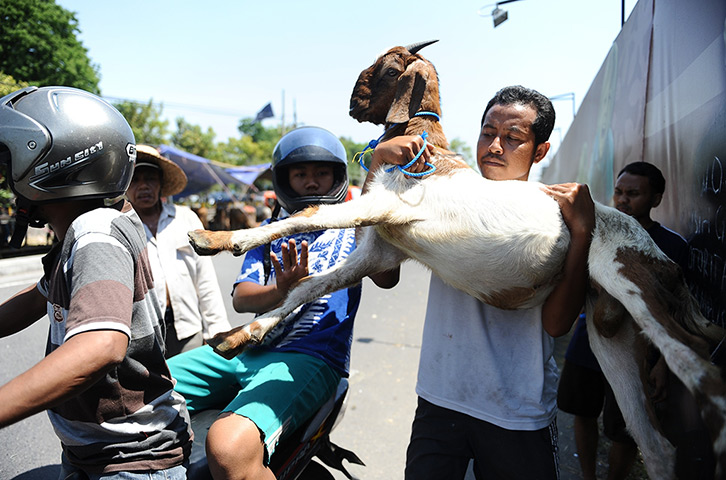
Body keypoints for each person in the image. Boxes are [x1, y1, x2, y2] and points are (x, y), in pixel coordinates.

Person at [367, 85, 596, 479]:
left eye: (513, 139)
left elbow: (556, 325)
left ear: (540, 151)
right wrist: (376, 165)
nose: (494, 146)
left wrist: (583, 233)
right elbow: (384, 276)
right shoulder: (445, 197)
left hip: (517, 413)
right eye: (488, 133)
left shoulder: (552, 219)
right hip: (440, 400)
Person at [168, 126, 396, 480]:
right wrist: (283, 288)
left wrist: (380, 180)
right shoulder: (271, 230)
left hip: (312, 357)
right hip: (246, 349)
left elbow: (387, 277)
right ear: (284, 180)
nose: (311, 182)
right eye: (300, 174)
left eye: (321, 173)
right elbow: (243, 299)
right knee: (137, 386)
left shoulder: (354, 227)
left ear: (337, 177)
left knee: (228, 447)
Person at [0, 86, 192, 478]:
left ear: (48, 161)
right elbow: (37, 298)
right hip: (93, 451)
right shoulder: (88, 228)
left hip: (129, 460)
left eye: (9, 162)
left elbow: (101, 345)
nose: (6, 177)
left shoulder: (95, 232)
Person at [557, 161, 710, 480]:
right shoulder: (593, 232)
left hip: (637, 356)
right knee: (581, 413)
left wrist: (661, 366)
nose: (623, 200)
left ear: (656, 199)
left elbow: (674, 314)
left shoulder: (670, 247)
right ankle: (588, 476)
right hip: (586, 344)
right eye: (619, 192)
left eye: (634, 194)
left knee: (624, 428)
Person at [126, 145, 231, 358]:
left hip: (187, 330)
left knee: (189, 388)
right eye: (135, 180)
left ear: (161, 184)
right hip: (139, 335)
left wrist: (217, 331)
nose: (143, 186)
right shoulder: (120, 226)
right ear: (125, 186)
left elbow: (205, 279)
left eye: (150, 179)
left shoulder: (185, 218)